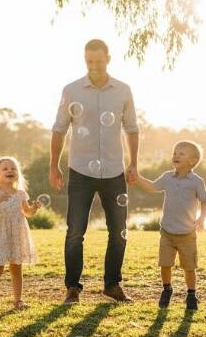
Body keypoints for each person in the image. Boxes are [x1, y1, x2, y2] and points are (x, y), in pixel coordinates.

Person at [50, 39, 139, 304]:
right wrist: (53, 165)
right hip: (80, 170)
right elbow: (59, 129)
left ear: (108, 59)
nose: (94, 65)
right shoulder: (71, 90)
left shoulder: (123, 90)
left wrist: (133, 163)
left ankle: (112, 285)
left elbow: (132, 129)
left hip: (114, 171)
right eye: (89, 61)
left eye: (98, 61)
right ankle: (72, 288)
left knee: (119, 232)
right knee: (75, 231)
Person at [134, 141, 206, 310]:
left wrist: (202, 219)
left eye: (181, 153)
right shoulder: (167, 177)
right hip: (167, 232)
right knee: (165, 264)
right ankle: (167, 289)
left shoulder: (196, 181)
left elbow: (205, 201)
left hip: (187, 234)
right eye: (175, 152)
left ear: (192, 161)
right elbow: (153, 187)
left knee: (189, 267)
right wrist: (137, 178)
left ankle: (191, 294)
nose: (176, 155)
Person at [0, 156, 41, 311]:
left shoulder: (21, 194)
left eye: (13, 168)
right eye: (5, 169)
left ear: (18, 173)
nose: (10, 171)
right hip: (0, 234)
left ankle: (18, 300)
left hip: (16, 233)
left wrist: (34, 208)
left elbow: (27, 212)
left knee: (16, 267)